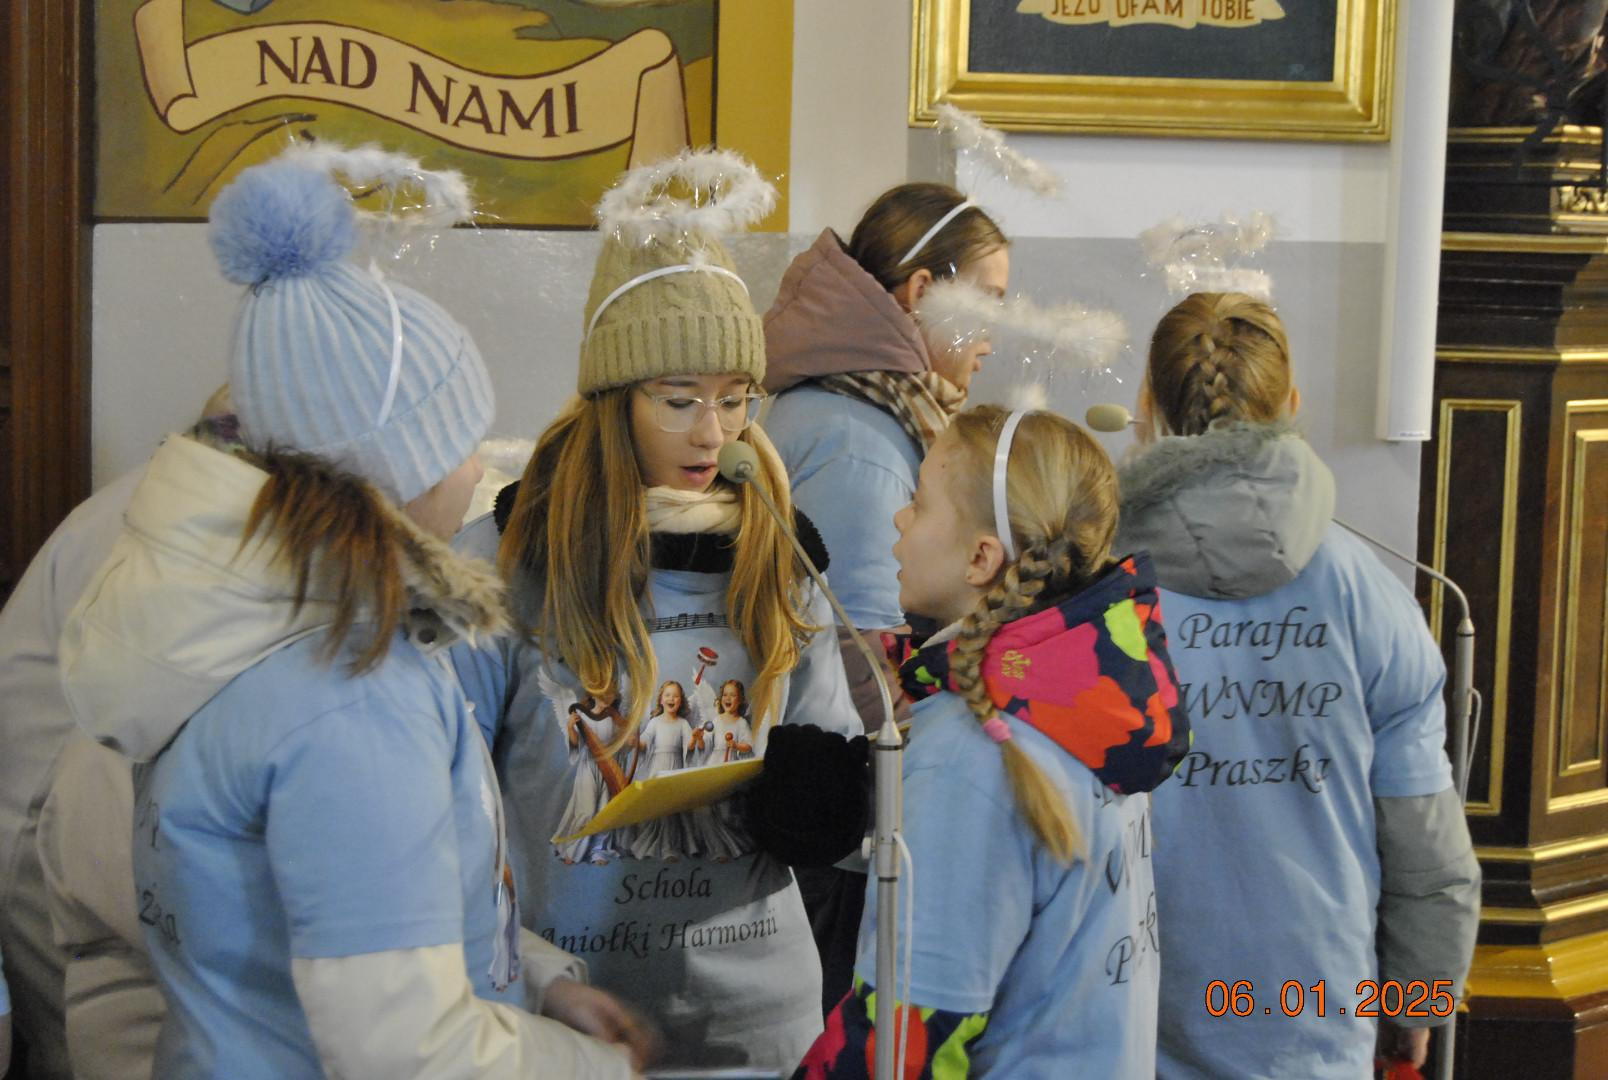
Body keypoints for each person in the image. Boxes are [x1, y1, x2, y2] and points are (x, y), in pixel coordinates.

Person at [57, 155, 649, 1079]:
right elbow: (403, 1045)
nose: (478, 466)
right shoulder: (352, 695)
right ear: (398, 469)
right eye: (462, 440)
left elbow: (334, 906)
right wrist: (595, 1070)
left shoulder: (241, 627)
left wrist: (529, 978)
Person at [452, 153, 865, 1071]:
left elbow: (826, 744)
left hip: (760, 1021)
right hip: (572, 1011)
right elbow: (442, 804)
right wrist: (530, 976)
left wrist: (826, 799)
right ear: (614, 402)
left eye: (734, 400)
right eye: (679, 401)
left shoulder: (781, 549)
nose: (713, 433)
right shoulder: (506, 561)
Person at [1118, 292, 1481, 1078]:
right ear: (1292, 406)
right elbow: (1426, 847)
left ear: (1145, 406)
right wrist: (1415, 1006)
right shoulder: (1369, 596)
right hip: (1311, 1019)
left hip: (1119, 1013)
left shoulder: (1088, 595)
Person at [795, 404, 1190, 1077]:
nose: (899, 519)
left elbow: (908, 1038)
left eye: (920, 503)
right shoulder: (1089, 704)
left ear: (981, 557)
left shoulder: (970, 753)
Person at [761, 183, 1009, 1011]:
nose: (993, 335)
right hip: (845, 834)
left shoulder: (852, 404)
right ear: (921, 291)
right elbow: (864, 666)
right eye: (988, 301)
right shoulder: (859, 437)